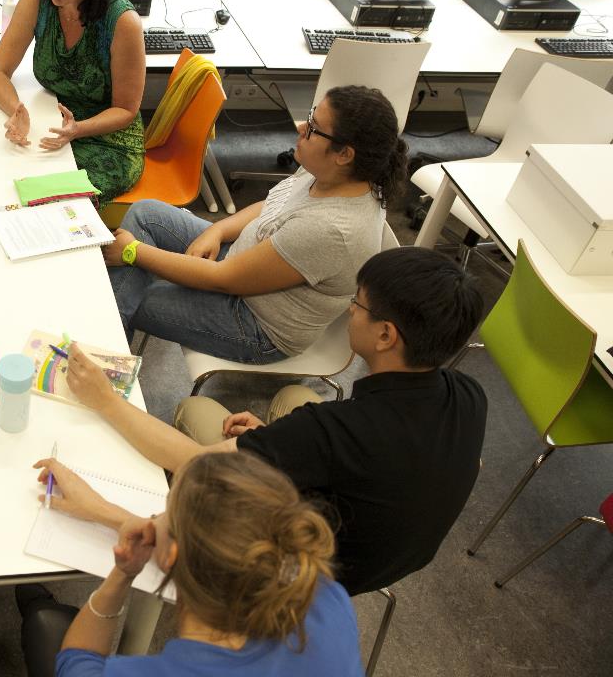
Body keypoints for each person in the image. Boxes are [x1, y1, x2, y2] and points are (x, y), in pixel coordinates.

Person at [53, 246, 486, 596]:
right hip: (388, 557)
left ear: (386, 335)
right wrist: (280, 446)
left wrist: (106, 400)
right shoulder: (469, 396)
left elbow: (197, 464)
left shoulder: (331, 430)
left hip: (296, 580)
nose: (350, 311)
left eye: (357, 304)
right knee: (295, 399)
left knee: (198, 413)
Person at [106, 84, 407, 363]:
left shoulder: (330, 229)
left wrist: (133, 252)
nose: (302, 128)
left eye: (313, 129)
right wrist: (217, 229)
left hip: (254, 321)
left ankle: (100, 363)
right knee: (146, 214)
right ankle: (104, 352)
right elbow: (272, 206)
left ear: (345, 154)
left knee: (131, 295)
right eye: (310, 117)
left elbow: (225, 279)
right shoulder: (328, 171)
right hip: (245, 261)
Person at [21, 452, 363, 676]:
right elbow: (209, 550)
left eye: (167, 507)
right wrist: (106, 513)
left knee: (44, 624)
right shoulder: (327, 597)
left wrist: (121, 575)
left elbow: (75, 664)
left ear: (171, 556)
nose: (156, 516)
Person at [0, 0, 146, 202]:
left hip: (108, 143)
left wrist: (78, 129)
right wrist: (16, 110)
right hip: (55, 125)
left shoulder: (122, 21)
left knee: (47, 203)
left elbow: (126, 110)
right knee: (3, 181)